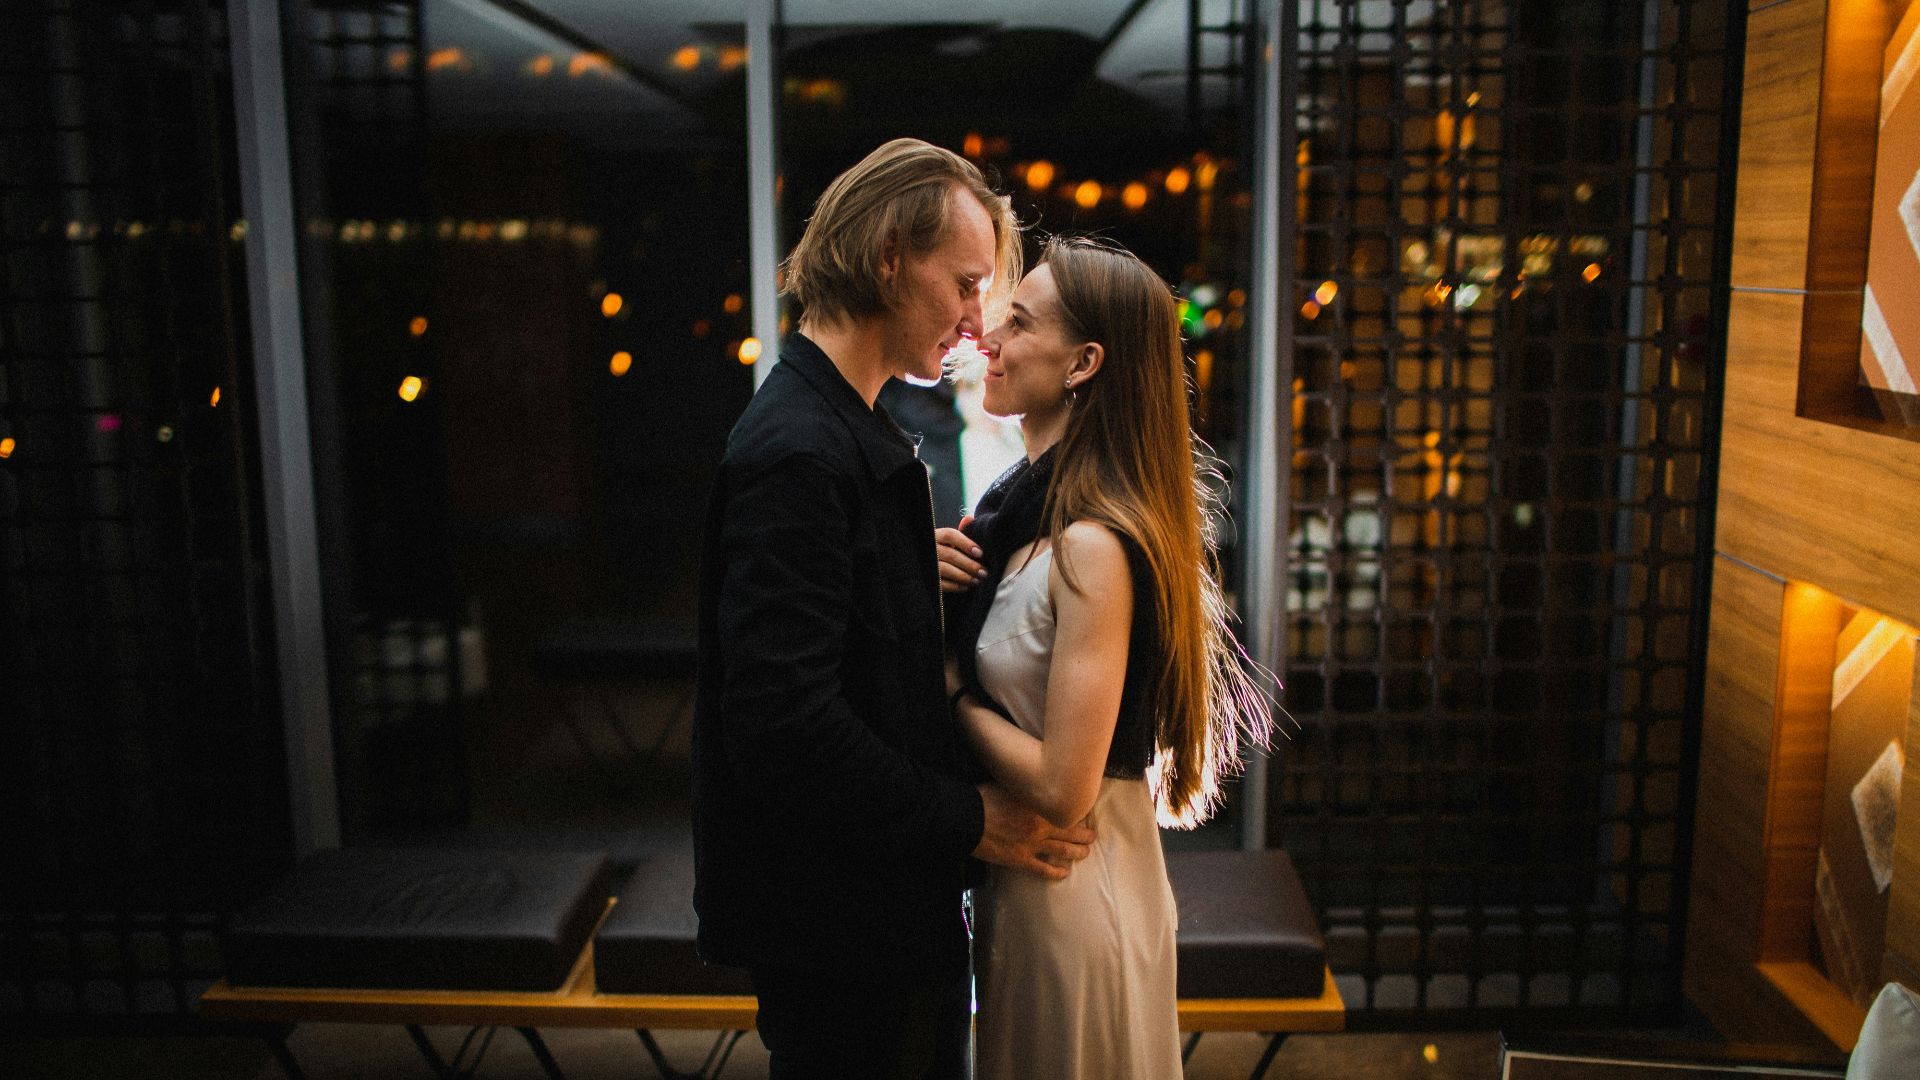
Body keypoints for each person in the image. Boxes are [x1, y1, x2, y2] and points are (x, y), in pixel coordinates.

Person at [690, 138, 1094, 1080]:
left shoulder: (844, 426)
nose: (973, 320)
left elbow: (849, 655)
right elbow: (783, 721)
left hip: (867, 903)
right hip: (840, 923)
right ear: (885, 259)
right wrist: (968, 818)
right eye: (963, 283)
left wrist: (912, 573)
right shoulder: (802, 450)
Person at [938, 236, 1275, 1079]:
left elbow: (1063, 785)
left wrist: (950, 697)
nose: (988, 340)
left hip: (1075, 901)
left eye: (1017, 323)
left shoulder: (1091, 543)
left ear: (1084, 362)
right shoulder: (1019, 519)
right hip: (1029, 893)